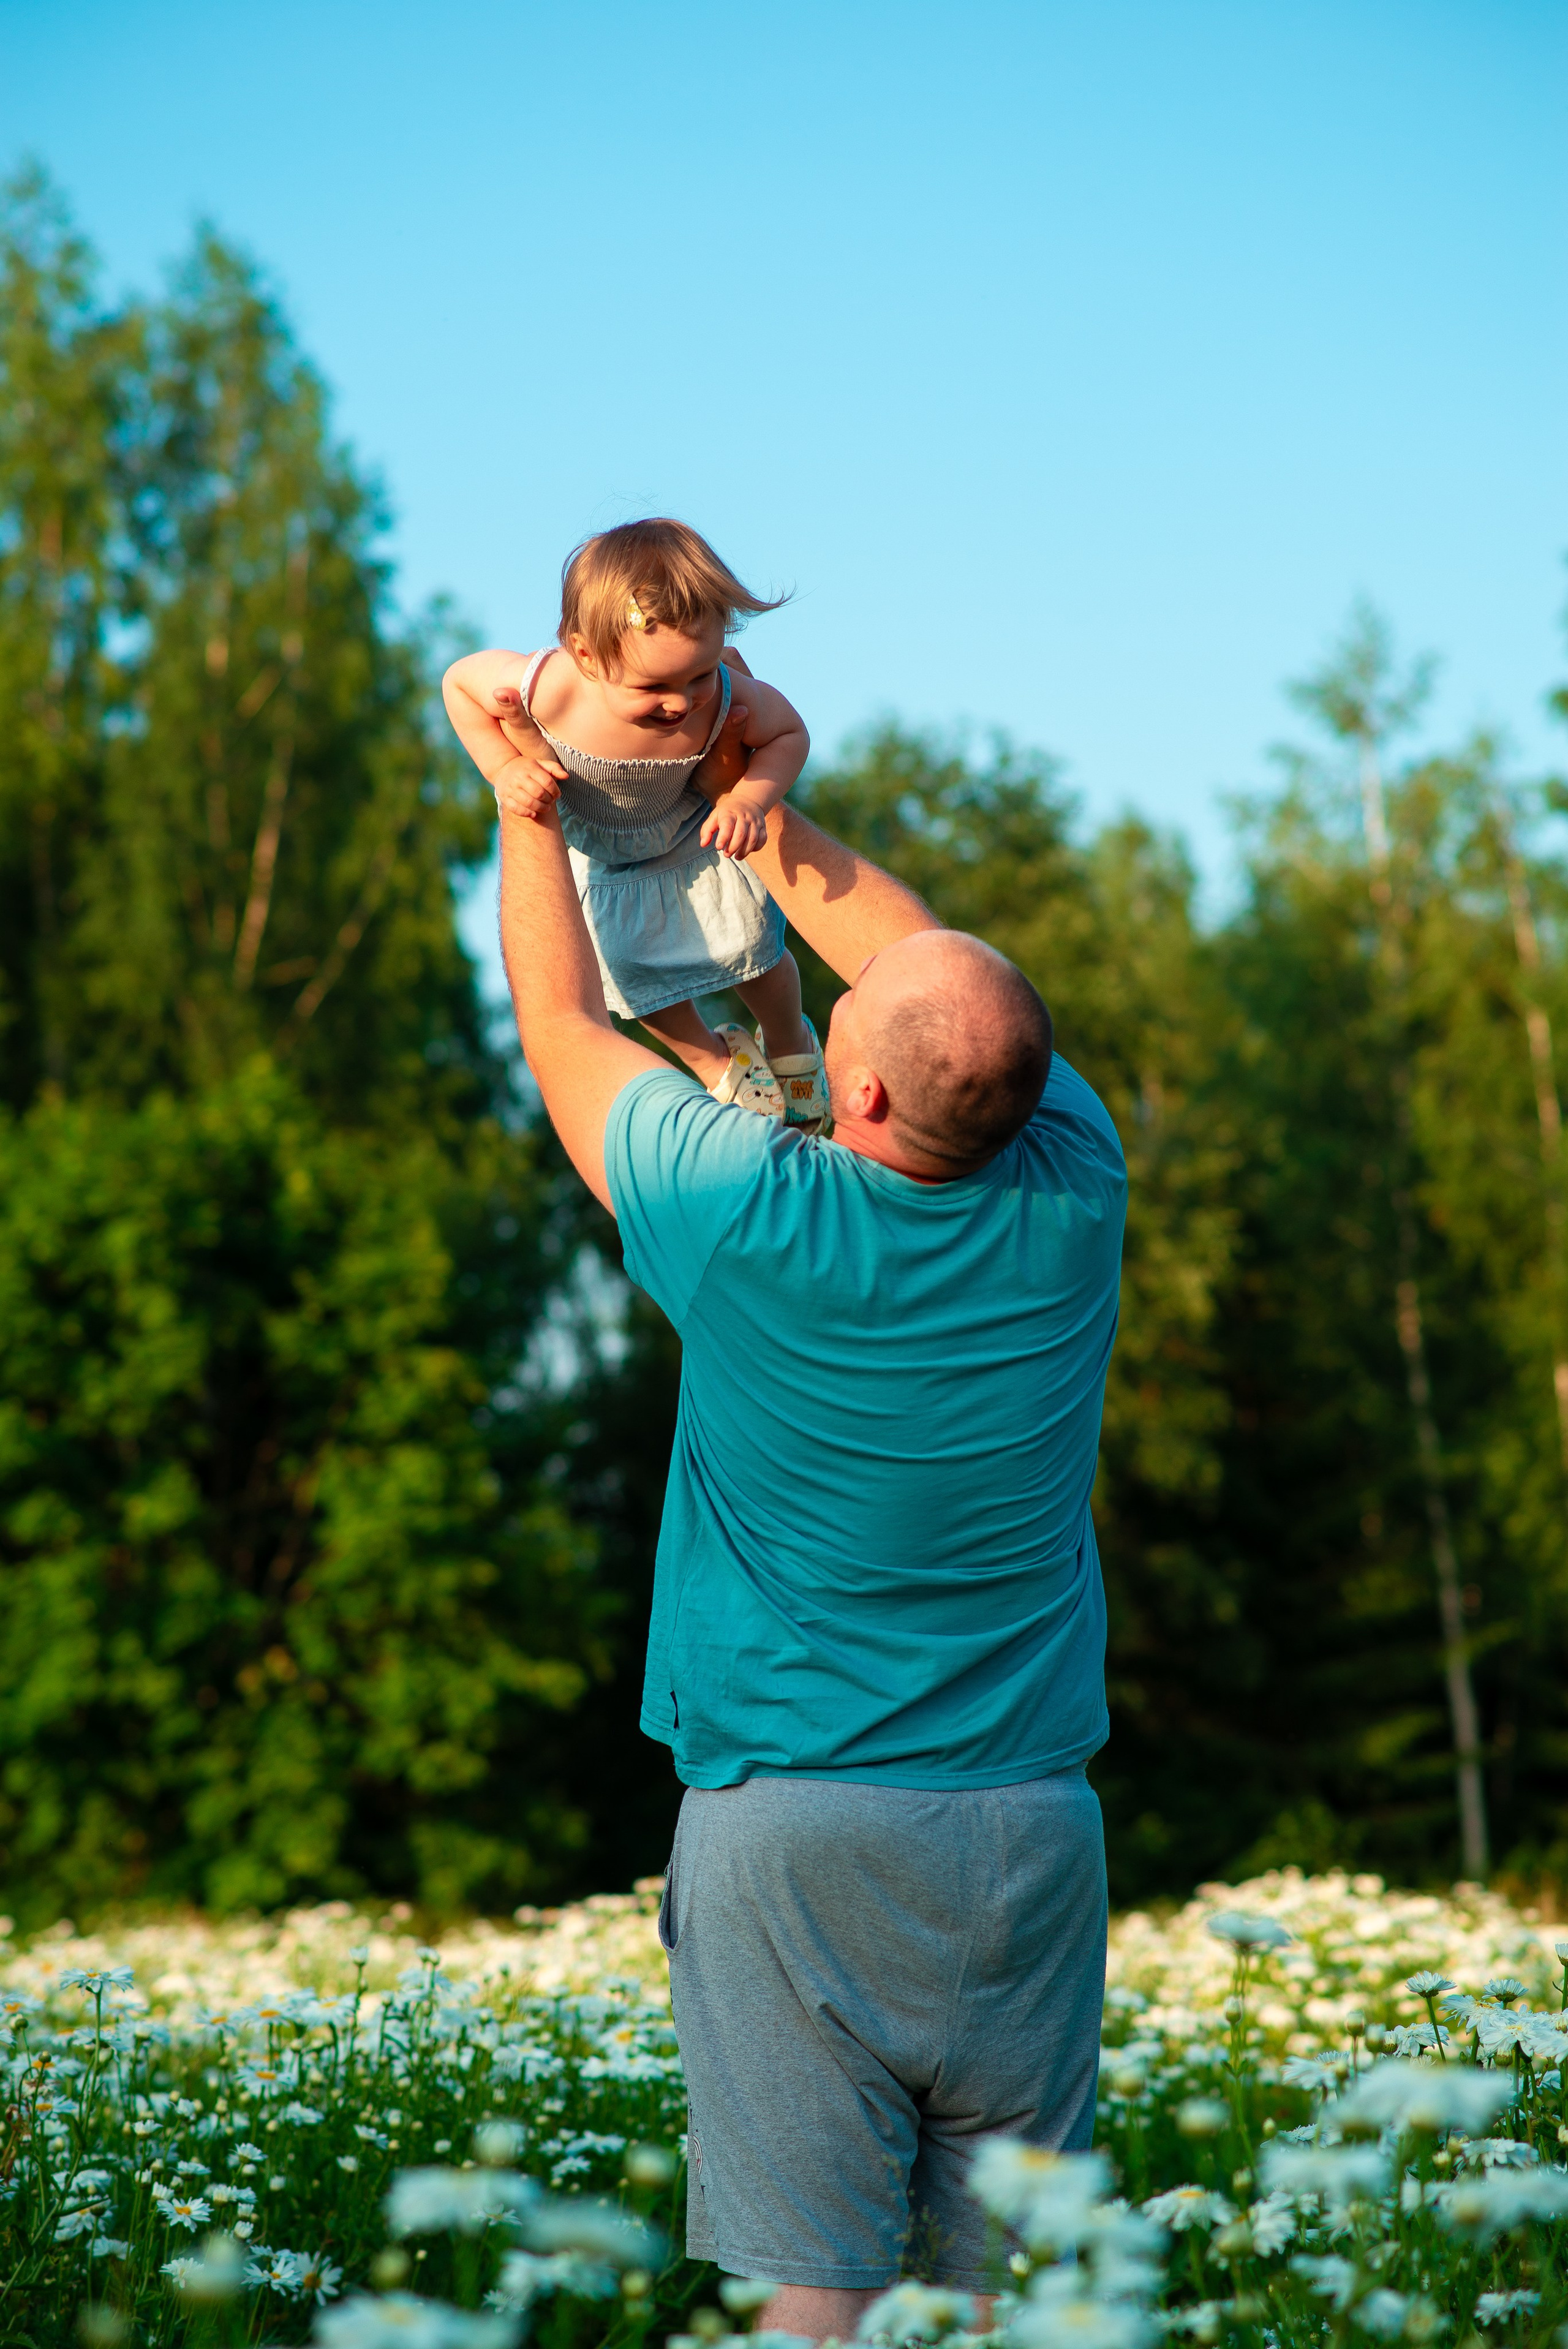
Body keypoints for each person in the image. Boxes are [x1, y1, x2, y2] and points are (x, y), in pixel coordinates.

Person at [491, 752, 1127, 2340]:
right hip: (1036, 1832)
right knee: (992, 2304)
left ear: (855, 1093)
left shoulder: (745, 1214)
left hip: (799, 1836)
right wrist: (756, 816)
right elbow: (944, 995)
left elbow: (563, 1032)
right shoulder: (1075, 1186)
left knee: (821, 2298)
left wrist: (526, 814)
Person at [443, 516, 827, 1125]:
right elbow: (457, 683)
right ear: (587, 656)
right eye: (655, 686)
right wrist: (500, 768)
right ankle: (715, 1066)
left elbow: (788, 734)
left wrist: (749, 799)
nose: (681, 701)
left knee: (757, 952)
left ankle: (788, 1043)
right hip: (606, 858)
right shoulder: (548, 688)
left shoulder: (723, 696)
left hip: (693, 838)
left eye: (699, 673)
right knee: (634, 985)